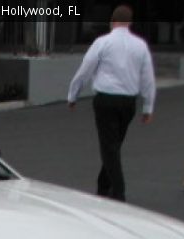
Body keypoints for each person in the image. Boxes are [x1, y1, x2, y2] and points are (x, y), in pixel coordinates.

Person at [67, 5, 156, 202]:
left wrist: (73, 94)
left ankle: (119, 190)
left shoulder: (102, 42)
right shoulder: (140, 46)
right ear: (129, 23)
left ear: (112, 22)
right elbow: (148, 78)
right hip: (128, 102)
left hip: (106, 99)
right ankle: (103, 185)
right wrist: (148, 106)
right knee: (114, 145)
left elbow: (86, 69)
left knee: (109, 147)